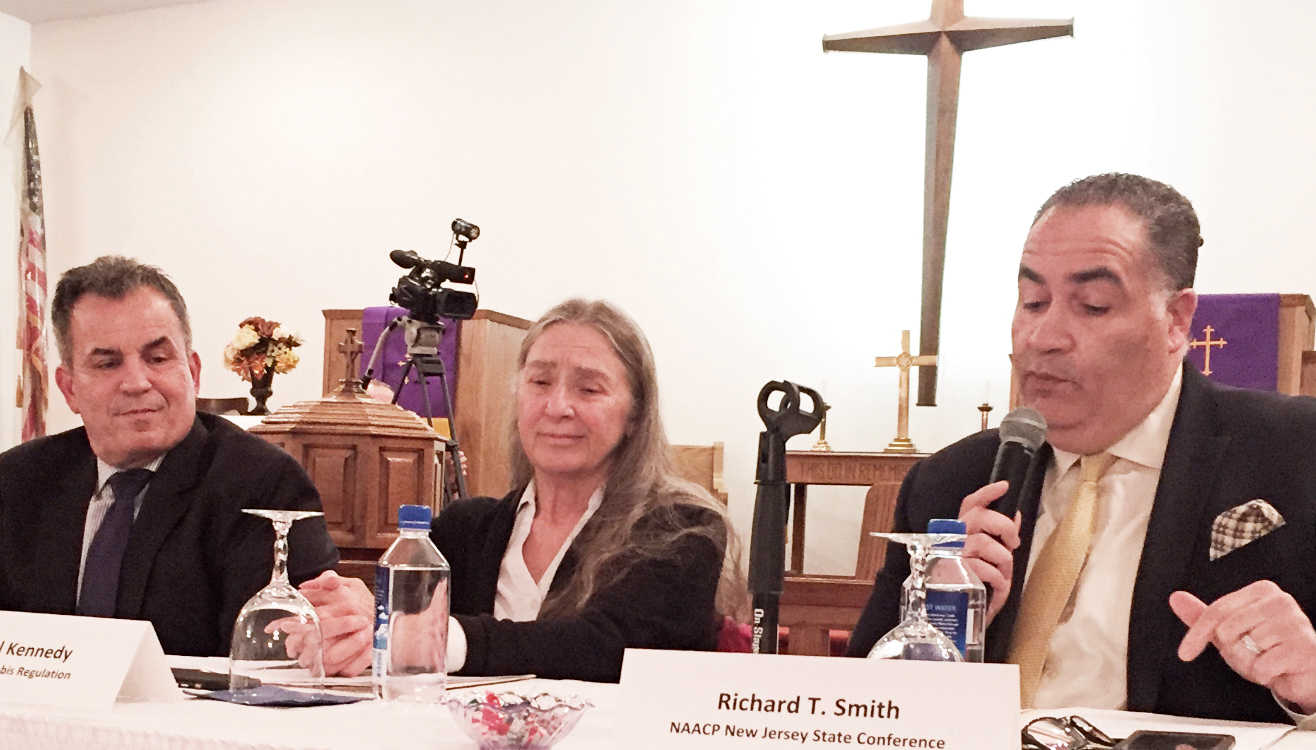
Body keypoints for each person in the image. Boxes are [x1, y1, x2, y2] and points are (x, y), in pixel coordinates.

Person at [847, 174, 1316, 725]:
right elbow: (865, 708)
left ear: (1176, 319)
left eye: (1091, 305)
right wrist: (951, 633)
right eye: (1032, 301)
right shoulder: (951, 479)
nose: (1043, 336)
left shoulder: (1294, 453)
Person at [300, 298, 746, 682]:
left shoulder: (683, 530)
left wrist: (439, 639)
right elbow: (395, 636)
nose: (557, 407)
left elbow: (609, 646)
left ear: (635, 414)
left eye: (589, 389)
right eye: (540, 382)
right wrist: (352, 627)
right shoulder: (463, 530)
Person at [0, 255, 338, 656]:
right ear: (69, 388)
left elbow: (279, 655)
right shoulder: (18, 482)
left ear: (192, 373)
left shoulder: (262, 485)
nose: (137, 382)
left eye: (158, 359)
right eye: (108, 363)